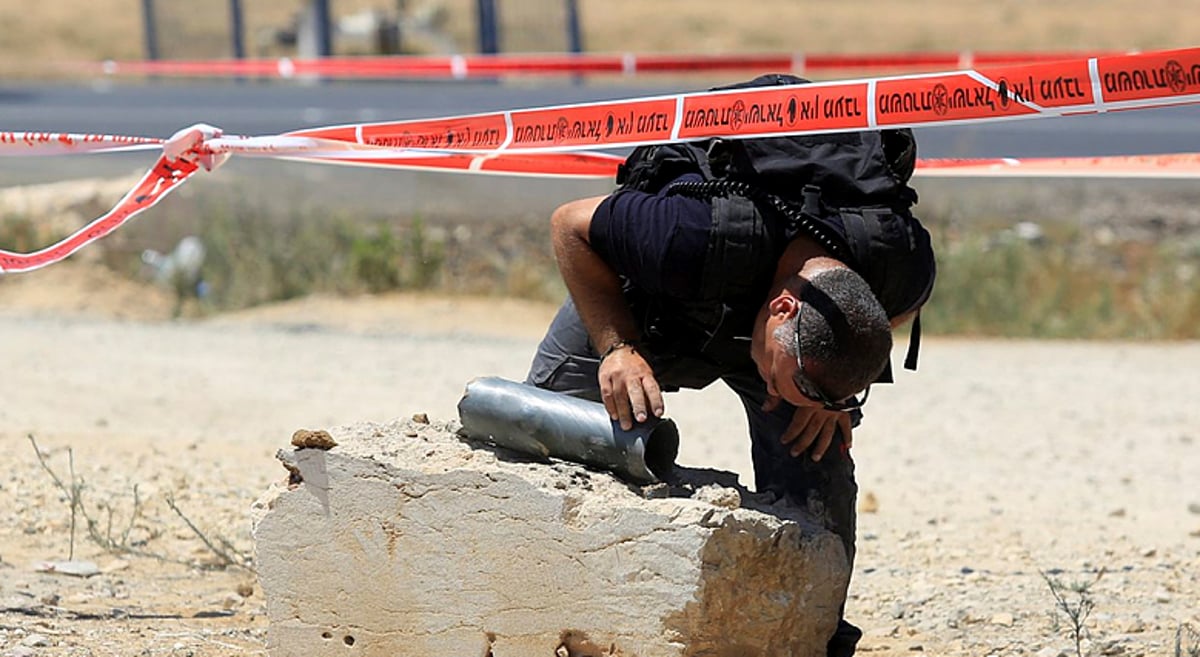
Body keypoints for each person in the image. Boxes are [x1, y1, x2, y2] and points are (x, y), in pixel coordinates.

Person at [525, 75, 937, 657]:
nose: (781, 398)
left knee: (819, 468)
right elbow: (568, 224)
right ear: (784, 308)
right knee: (539, 431)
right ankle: (526, 602)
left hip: (777, 329)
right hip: (654, 305)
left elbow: (900, 308)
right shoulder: (684, 238)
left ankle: (816, 636)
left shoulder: (898, 264)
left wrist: (832, 399)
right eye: (783, 383)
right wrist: (616, 346)